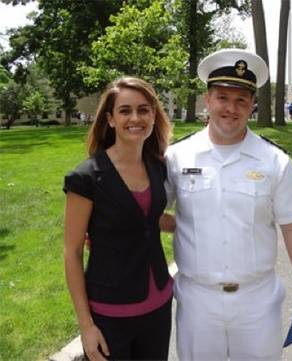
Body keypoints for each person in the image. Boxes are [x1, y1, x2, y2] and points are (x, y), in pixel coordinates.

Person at [165, 49, 292, 361]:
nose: (230, 108)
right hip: (198, 301)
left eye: (241, 100)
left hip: (257, 302)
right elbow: (147, 210)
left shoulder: (274, 161)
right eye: (222, 97)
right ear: (207, 100)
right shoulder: (177, 158)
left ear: (252, 105)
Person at [63, 76, 174, 361]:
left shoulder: (157, 167)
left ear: (153, 116)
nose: (135, 118)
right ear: (110, 119)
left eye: (143, 109)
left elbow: (148, 219)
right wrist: (86, 327)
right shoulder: (86, 178)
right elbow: (72, 252)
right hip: (110, 315)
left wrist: (198, 223)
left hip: (158, 308)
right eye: (125, 110)